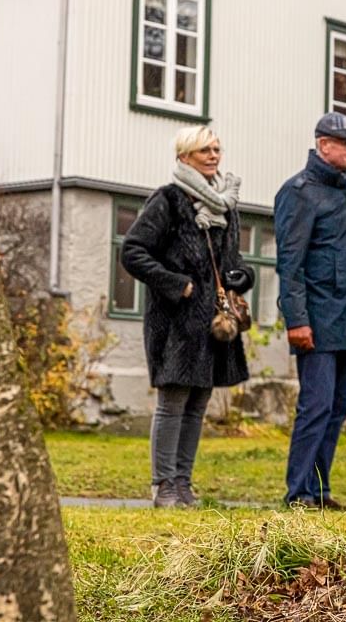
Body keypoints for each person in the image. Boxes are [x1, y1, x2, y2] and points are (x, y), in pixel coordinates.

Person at [122, 125, 253, 508]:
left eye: (216, 149)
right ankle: (163, 485)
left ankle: (183, 483)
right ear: (184, 157)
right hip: (176, 321)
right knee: (173, 402)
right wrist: (177, 284)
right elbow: (133, 251)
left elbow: (233, 261)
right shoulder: (168, 200)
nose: (213, 156)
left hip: (213, 323)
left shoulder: (226, 205)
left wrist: (240, 277)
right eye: (204, 151)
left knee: (198, 403)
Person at [275, 112, 346, 508]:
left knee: (337, 410)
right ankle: (298, 492)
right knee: (315, 408)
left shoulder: (345, 192)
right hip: (317, 324)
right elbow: (290, 263)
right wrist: (297, 320)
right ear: (323, 145)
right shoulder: (299, 192)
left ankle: (318, 490)